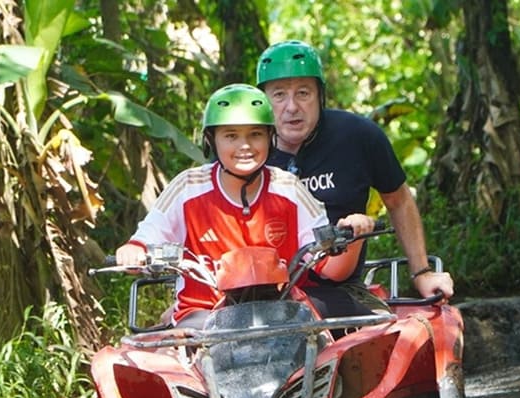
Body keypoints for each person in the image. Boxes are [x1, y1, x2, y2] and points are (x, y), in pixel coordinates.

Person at [114, 83, 375, 328]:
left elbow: (331, 269)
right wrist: (134, 250)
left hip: (284, 315)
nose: (245, 146)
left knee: (367, 331)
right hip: (204, 318)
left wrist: (353, 236)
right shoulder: (188, 187)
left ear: (270, 138)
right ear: (211, 140)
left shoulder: (288, 188)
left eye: (255, 134)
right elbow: (147, 237)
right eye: (231, 136)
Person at [256, 40, 455, 308]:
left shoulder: (358, 135)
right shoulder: (246, 150)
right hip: (263, 292)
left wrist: (422, 272)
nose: (292, 107)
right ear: (263, 102)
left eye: (303, 93)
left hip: (339, 288)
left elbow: (398, 200)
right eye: (279, 95)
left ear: (320, 96)